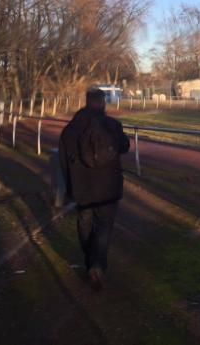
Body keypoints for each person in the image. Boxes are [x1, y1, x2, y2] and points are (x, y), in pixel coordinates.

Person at [59, 88, 130, 289]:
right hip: (108, 187)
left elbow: (63, 160)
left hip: (82, 189)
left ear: (86, 101)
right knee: (104, 226)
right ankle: (98, 264)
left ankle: (91, 261)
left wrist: (69, 186)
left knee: (85, 223)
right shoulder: (112, 125)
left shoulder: (71, 128)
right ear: (103, 103)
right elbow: (125, 146)